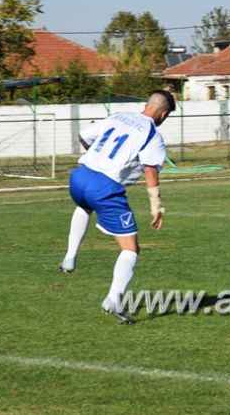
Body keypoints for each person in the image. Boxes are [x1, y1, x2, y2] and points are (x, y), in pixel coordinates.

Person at [58, 90, 175, 323]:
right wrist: (156, 206)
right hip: (105, 187)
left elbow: (83, 136)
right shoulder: (152, 134)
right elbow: (151, 170)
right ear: (163, 114)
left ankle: (69, 258)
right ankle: (113, 299)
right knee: (130, 249)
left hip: (80, 176)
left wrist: (99, 158)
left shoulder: (118, 116)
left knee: (84, 206)